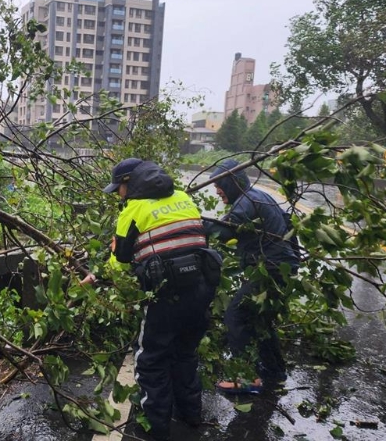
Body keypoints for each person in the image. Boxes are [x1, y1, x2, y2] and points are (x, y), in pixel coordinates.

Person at [82, 158, 218, 441]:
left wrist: (97, 275)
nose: (118, 194)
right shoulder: (183, 198)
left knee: (151, 361)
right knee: (185, 354)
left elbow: (119, 264)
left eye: (118, 188)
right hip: (201, 289)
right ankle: (190, 416)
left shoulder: (133, 210)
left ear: (129, 183)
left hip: (165, 296)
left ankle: (154, 429)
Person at [206, 159, 300, 393]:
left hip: (271, 268)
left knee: (235, 316)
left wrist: (193, 225)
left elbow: (223, 232)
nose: (216, 191)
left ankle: (247, 378)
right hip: (282, 267)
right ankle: (275, 372)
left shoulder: (245, 203)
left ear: (232, 182)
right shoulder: (257, 195)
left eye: (219, 184)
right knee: (261, 320)